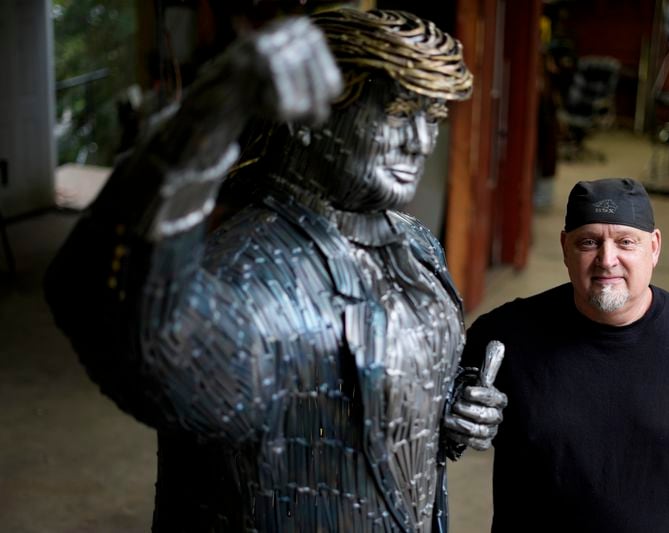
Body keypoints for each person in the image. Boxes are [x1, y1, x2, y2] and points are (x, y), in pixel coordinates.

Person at [45, 8, 505, 532]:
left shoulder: (418, 245)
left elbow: (389, 422)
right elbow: (115, 317)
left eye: (433, 119)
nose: (421, 142)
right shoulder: (249, 276)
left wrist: (451, 405)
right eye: (399, 113)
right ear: (308, 118)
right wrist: (209, 116)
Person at [461, 177, 669, 532]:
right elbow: (420, 432)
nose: (607, 260)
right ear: (564, 247)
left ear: (654, 247)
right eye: (589, 242)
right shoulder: (504, 339)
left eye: (626, 242)